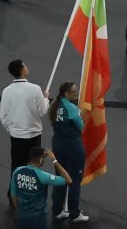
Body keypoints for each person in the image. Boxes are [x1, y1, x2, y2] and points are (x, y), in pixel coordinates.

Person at [0, 60, 50, 171]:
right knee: (34, 167)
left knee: (16, 166)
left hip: (16, 137)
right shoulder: (35, 89)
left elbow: (3, 117)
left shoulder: (6, 91)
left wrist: (13, 129)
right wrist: (46, 98)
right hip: (33, 136)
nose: (27, 67)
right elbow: (42, 111)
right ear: (22, 70)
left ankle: (14, 188)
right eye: (25, 65)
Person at [49, 81, 88, 222]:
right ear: (66, 93)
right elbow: (81, 126)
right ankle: (75, 214)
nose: (76, 94)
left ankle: (58, 210)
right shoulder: (71, 108)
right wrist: (80, 114)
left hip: (58, 144)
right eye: (73, 92)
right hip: (72, 146)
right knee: (74, 181)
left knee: (60, 178)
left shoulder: (54, 104)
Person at [8, 147, 70, 229]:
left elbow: (13, 195)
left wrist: (20, 212)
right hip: (38, 218)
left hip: (21, 216)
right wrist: (55, 161)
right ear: (41, 160)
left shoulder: (17, 171)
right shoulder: (43, 176)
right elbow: (68, 180)